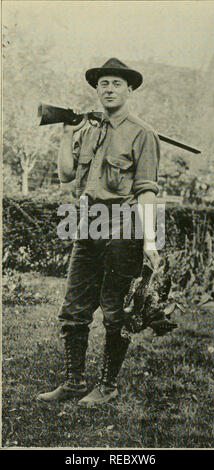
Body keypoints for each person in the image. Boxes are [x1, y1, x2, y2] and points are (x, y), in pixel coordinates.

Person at [37, 58, 160, 406]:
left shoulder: (143, 133)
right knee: (73, 308)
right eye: (103, 83)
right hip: (87, 222)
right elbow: (65, 175)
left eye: (116, 84)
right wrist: (66, 133)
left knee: (115, 311)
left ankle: (107, 385)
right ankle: (74, 382)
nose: (109, 89)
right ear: (97, 89)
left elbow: (147, 190)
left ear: (129, 89)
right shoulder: (90, 130)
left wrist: (150, 239)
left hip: (124, 226)